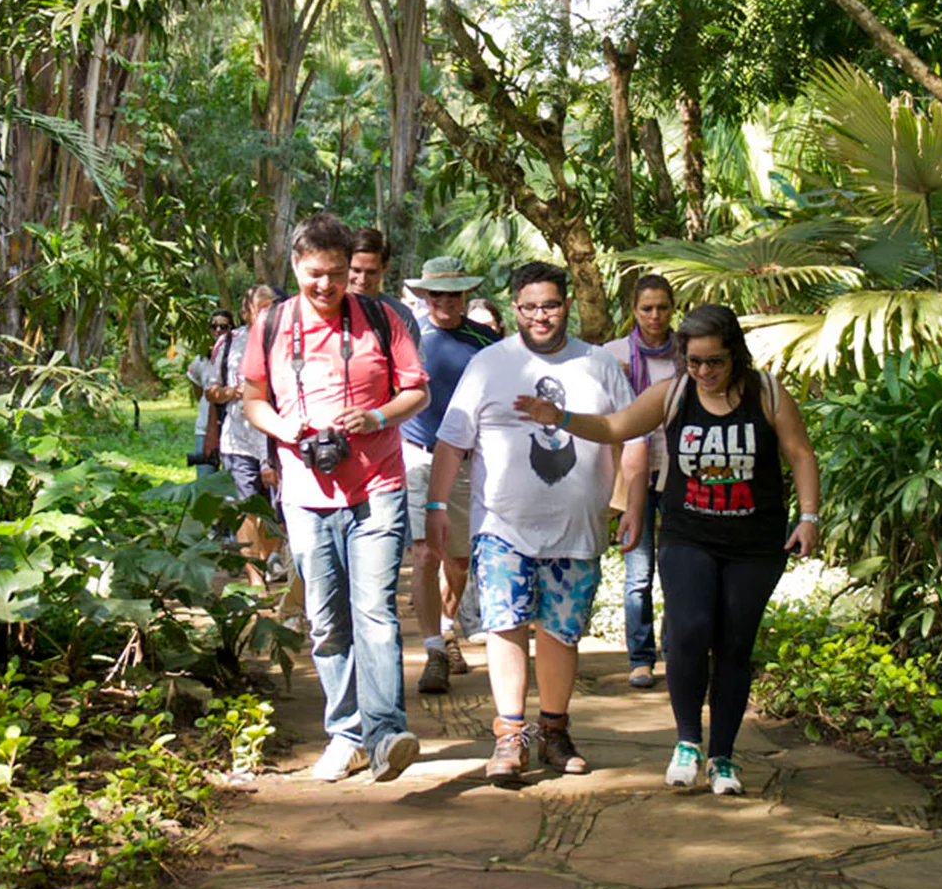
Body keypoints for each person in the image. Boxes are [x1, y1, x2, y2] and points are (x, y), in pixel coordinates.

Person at [514, 301, 821, 797]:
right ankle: (687, 743)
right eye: (694, 361)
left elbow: (801, 454)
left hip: (754, 543)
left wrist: (808, 517)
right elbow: (616, 427)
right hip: (688, 535)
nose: (703, 372)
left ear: (735, 355)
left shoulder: (767, 393)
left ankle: (722, 756)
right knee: (688, 631)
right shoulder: (674, 393)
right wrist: (560, 417)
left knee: (735, 644)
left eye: (714, 362)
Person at [428, 262, 649, 787]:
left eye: (549, 305)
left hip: (577, 529)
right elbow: (453, 441)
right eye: (528, 307)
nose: (540, 316)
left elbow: (633, 437)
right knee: (504, 623)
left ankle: (554, 731)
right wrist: (437, 507)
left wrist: (634, 503)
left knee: (560, 631)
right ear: (515, 308)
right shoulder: (489, 363)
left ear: (566, 304)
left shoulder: (598, 364)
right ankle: (510, 735)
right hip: (502, 525)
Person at [242, 212, 430, 783]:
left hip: (376, 484)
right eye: (314, 273)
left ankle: (385, 733)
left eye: (336, 273)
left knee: (374, 611)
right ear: (295, 266)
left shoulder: (381, 319)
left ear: (352, 269)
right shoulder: (272, 325)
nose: (325, 285)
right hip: (305, 491)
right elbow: (252, 398)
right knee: (326, 620)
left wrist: (374, 415)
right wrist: (284, 428)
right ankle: (344, 733)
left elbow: (416, 391)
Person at [401, 256, 501, 695]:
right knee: (424, 554)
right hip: (417, 457)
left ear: (465, 294)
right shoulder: (409, 336)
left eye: (454, 292)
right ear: (425, 295)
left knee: (458, 560)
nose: (445, 300)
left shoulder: (486, 341)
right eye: (436, 292)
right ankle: (434, 651)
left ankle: (447, 627)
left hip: (466, 461)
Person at [619, 275, 682, 690]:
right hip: (635, 473)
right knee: (638, 572)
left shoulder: (690, 354)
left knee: (679, 570)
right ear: (634, 310)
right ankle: (640, 658)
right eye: (647, 308)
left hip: (681, 472)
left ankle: (676, 649)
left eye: (662, 307)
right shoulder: (614, 356)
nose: (655, 316)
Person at [210, 284, 283, 585]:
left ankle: (268, 561)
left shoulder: (291, 339)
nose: (268, 312)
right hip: (239, 439)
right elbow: (212, 390)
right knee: (247, 506)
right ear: (246, 312)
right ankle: (255, 576)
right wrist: (233, 392)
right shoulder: (229, 343)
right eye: (261, 306)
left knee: (278, 510)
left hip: (279, 438)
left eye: (273, 305)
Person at [347, 226, 422, 341]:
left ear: (385, 267)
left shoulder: (400, 317)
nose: (362, 279)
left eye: (371, 272)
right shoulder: (324, 310)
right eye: (356, 270)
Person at [186, 308, 237, 475]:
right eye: (214, 326)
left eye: (223, 327)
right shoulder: (202, 358)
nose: (218, 331)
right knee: (206, 480)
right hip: (205, 427)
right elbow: (197, 387)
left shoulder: (238, 354)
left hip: (233, 426)